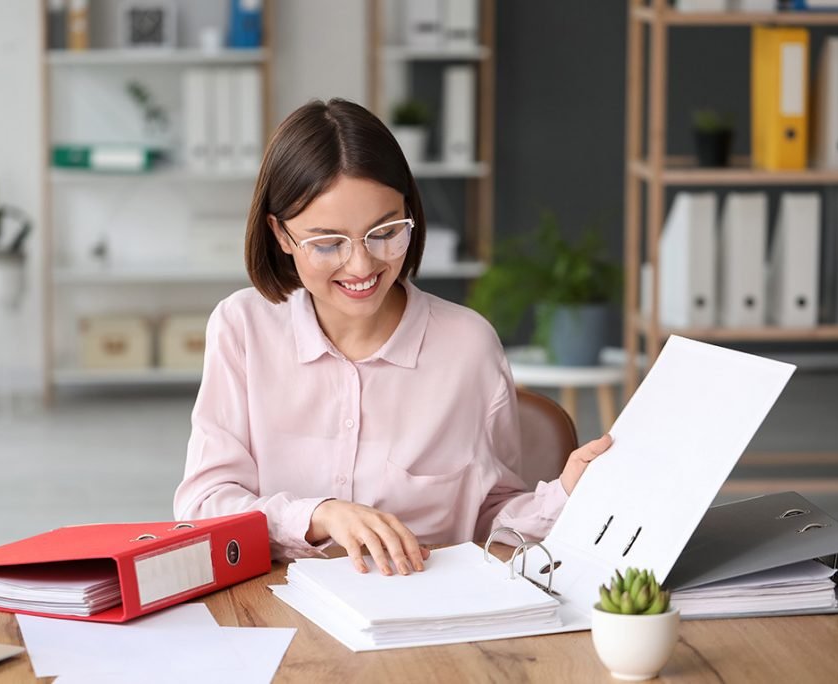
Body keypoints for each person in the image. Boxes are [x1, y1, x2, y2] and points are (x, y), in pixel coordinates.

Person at [174, 98, 611, 576]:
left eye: (385, 232)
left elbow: (491, 517)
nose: (362, 266)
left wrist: (566, 493)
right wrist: (318, 515)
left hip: (424, 615)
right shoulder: (242, 328)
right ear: (281, 235)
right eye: (327, 243)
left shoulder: (468, 346)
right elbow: (203, 504)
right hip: (279, 604)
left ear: (410, 214)